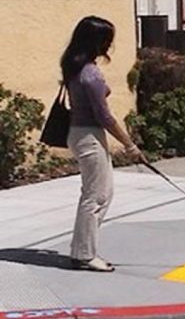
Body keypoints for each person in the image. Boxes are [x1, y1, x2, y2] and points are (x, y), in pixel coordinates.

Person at [61, 16, 147, 272]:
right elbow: (105, 116)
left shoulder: (74, 66)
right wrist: (130, 146)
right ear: (96, 41)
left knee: (100, 194)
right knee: (96, 196)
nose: (110, 44)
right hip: (89, 137)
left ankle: (82, 250)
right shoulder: (90, 74)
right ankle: (84, 255)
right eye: (107, 39)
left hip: (79, 133)